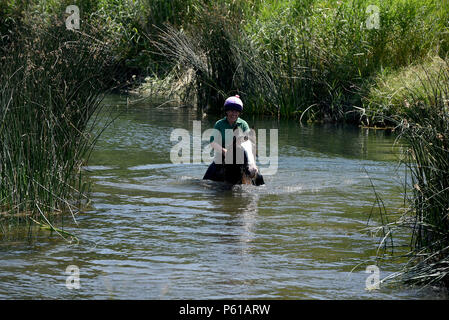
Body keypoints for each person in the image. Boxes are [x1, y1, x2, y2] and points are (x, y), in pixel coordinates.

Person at [203, 95, 250, 182]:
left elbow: (248, 141)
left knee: (254, 174)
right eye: (232, 111)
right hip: (221, 157)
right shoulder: (219, 124)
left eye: (237, 111)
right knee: (206, 180)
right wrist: (224, 151)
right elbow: (213, 142)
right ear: (227, 111)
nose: (234, 114)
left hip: (239, 158)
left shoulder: (243, 124)